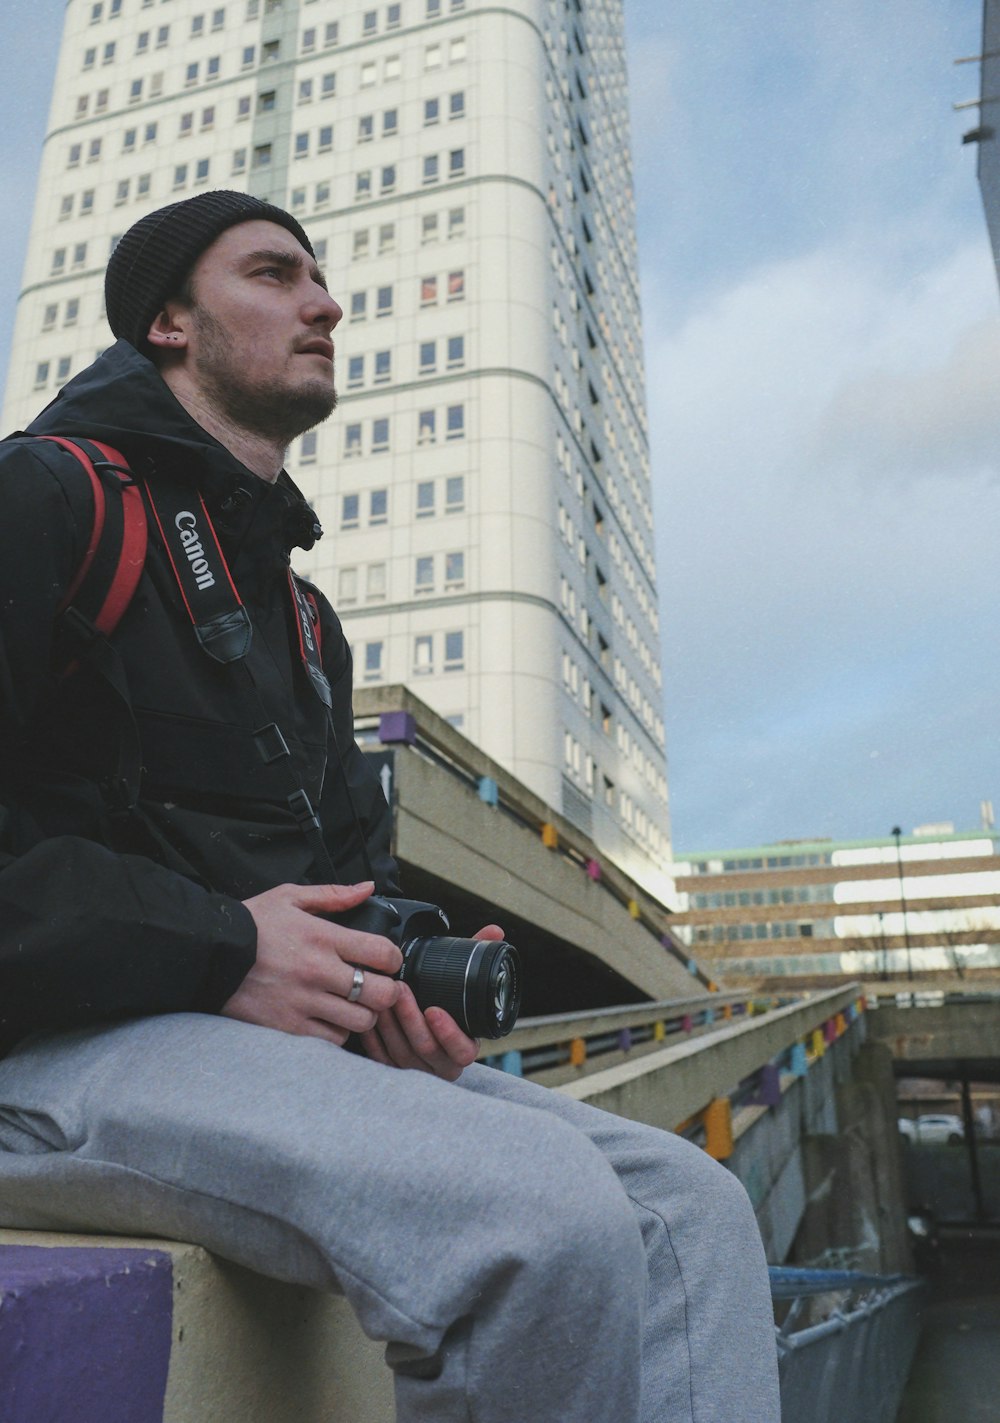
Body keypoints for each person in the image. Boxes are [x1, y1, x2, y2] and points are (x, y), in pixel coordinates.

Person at [0, 191, 780, 1422]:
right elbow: (223, 925)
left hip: (244, 1057)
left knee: (691, 1213)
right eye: (273, 275)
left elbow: (347, 879)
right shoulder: (45, 501)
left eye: (321, 278)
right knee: (536, 1217)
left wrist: (387, 986)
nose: (327, 303)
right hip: (48, 1049)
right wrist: (228, 944)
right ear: (166, 321)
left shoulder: (306, 623)